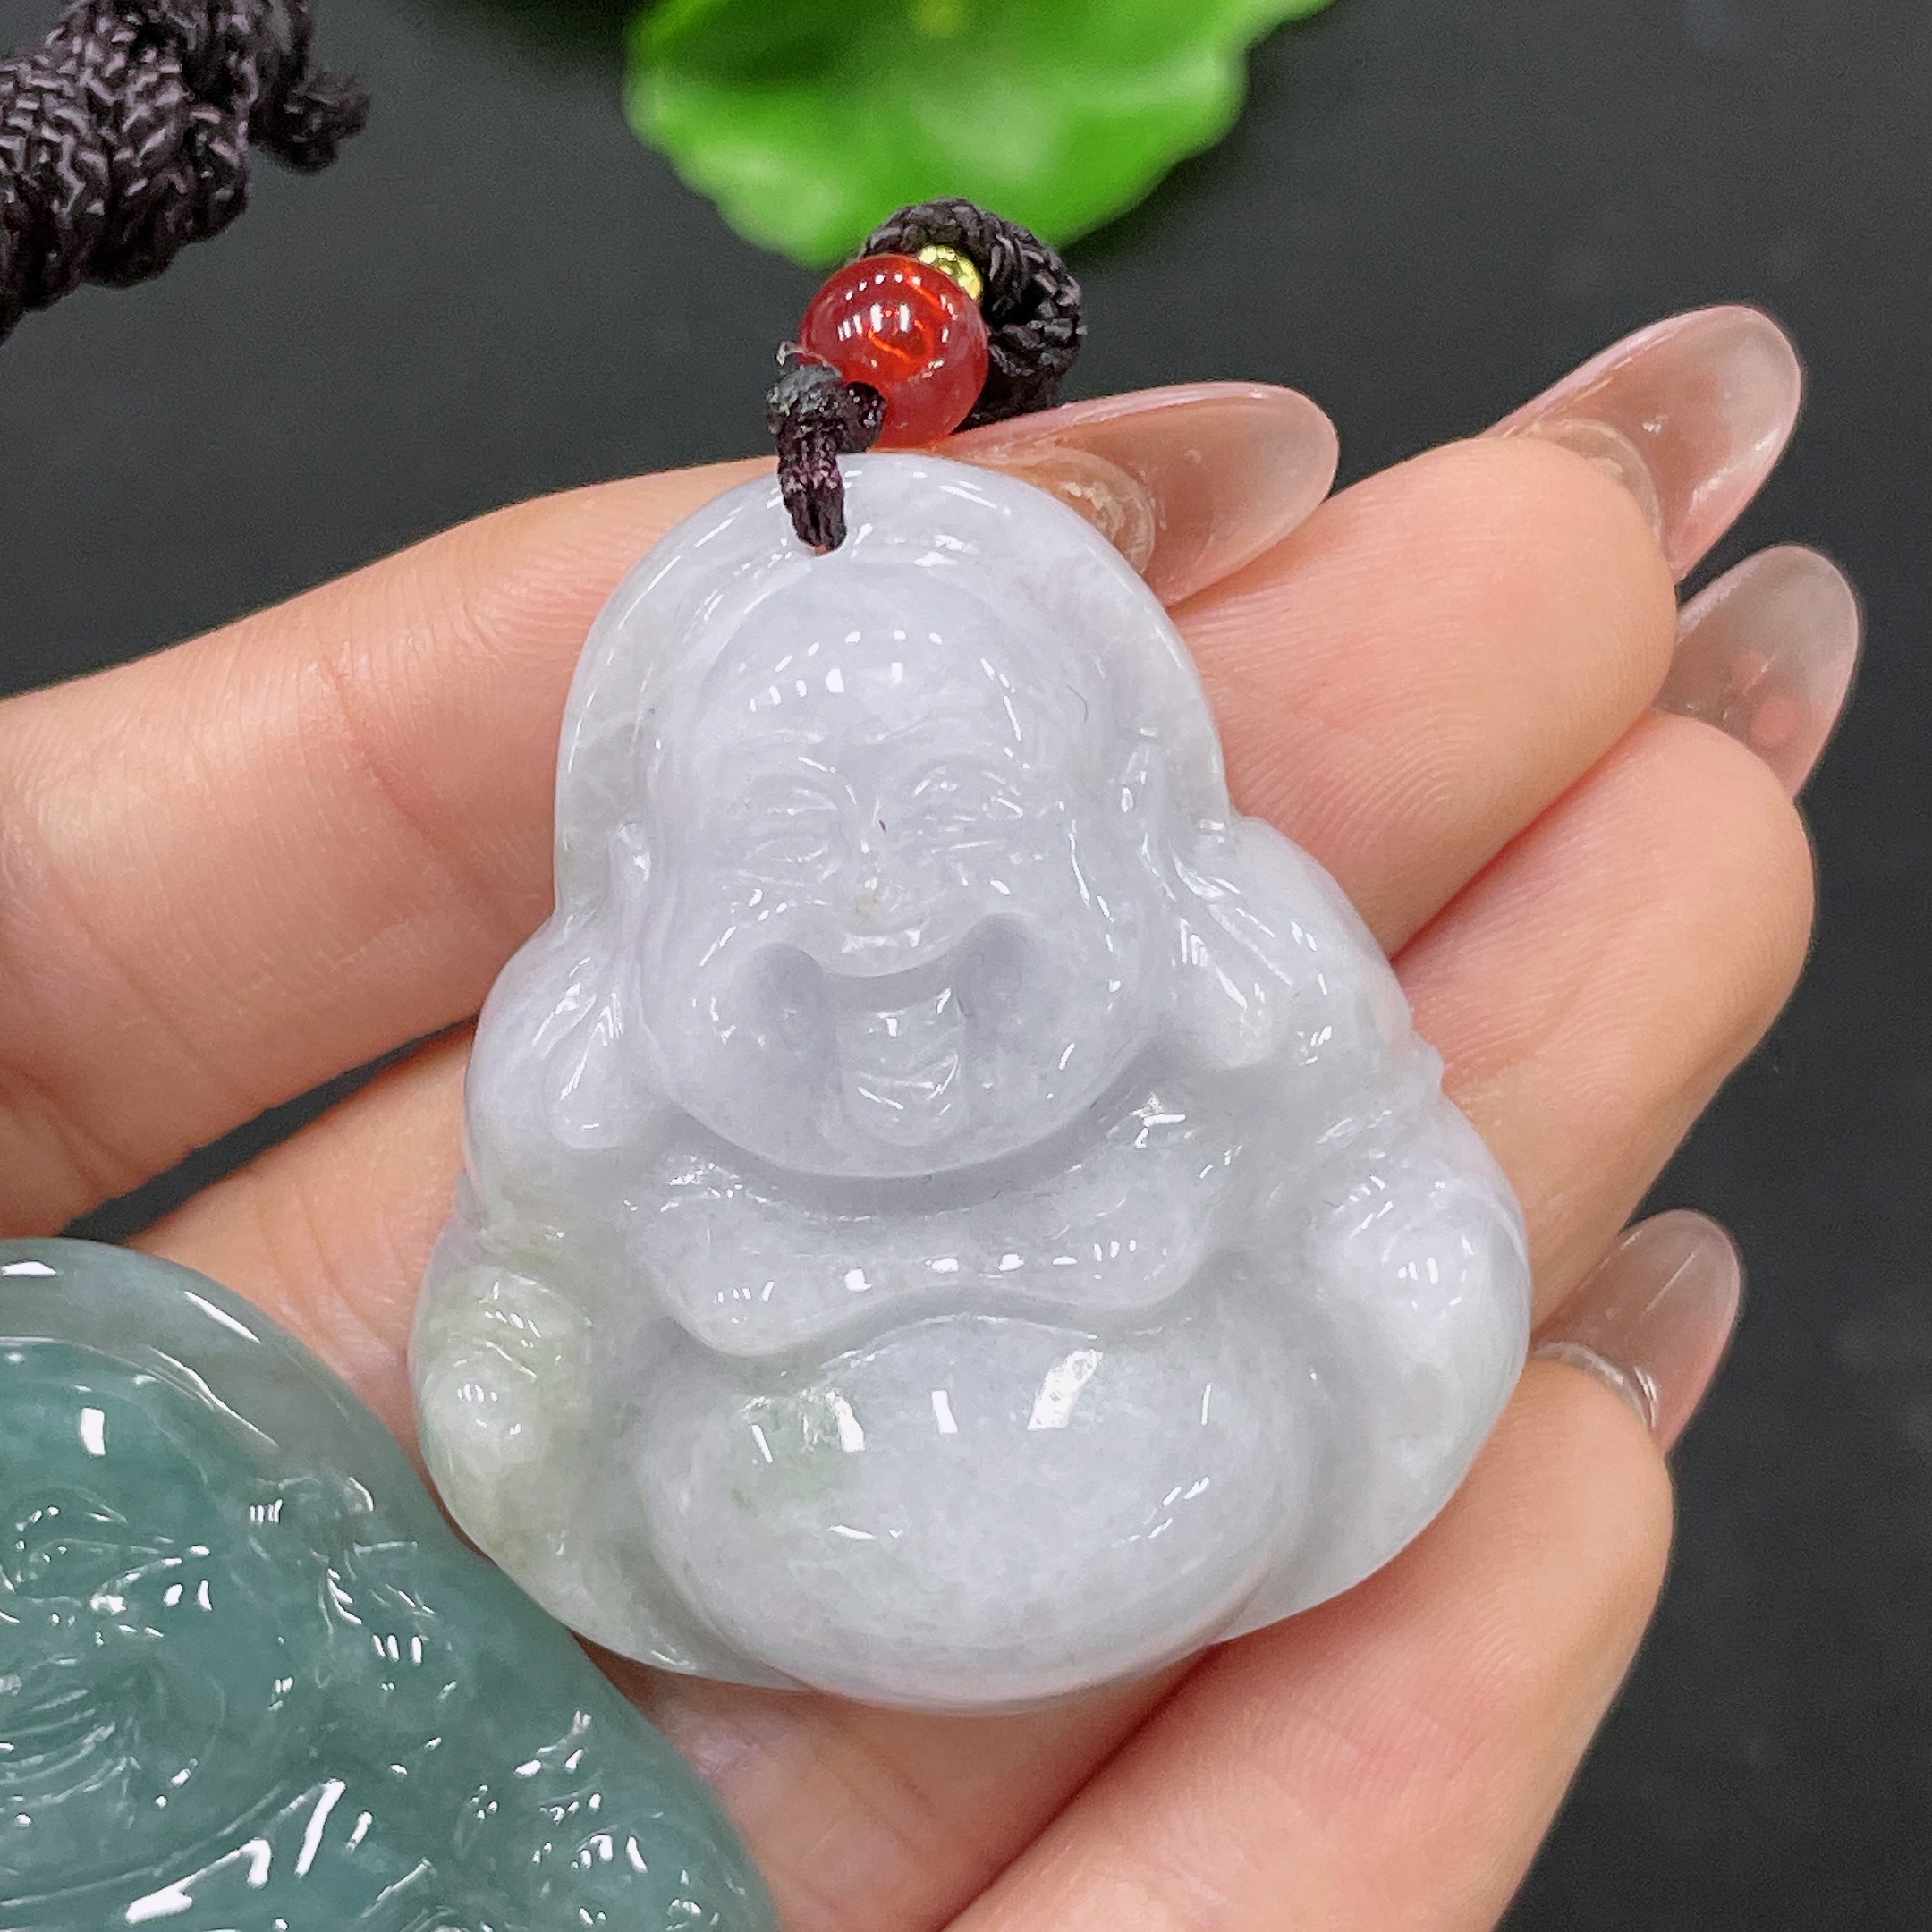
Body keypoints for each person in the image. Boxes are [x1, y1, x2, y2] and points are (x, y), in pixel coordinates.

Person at [0, 301, 1854, 1928]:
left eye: (964, 821)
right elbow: (527, 1336)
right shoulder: (609, 1118)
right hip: (745, 1557)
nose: (877, 914)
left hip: (1234, 1479)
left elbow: (1378, 1196)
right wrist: (512, 1398)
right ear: (649, 894)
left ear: (1124, 835)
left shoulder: (1231, 1020)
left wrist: (1409, 1300)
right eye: (787, 843)